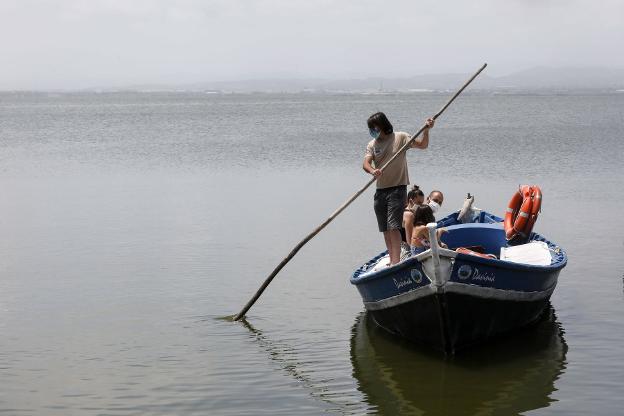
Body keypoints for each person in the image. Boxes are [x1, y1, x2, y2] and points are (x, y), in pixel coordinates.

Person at [363, 112, 434, 265]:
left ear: (382, 125)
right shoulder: (372, 145)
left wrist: (426, 130)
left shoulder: (400, 137)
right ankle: (392, 258)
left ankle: (395, 262)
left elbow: (422, 145)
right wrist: (372, 171)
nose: (372, 131)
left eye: (373, 127)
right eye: (370, 129)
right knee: (385, 229)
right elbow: (366, 164)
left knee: (393, 227)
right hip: (380, 191)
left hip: (397, 189)